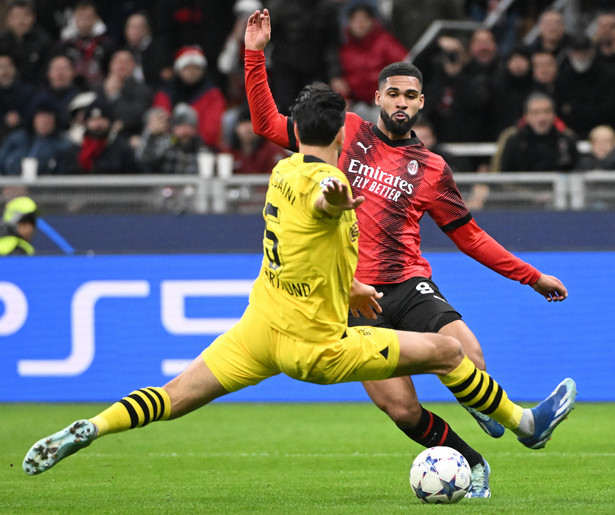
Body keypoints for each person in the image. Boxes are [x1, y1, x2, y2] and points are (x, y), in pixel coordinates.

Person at [22, 83, 577, 478]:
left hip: (261, 329)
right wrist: (334, 198)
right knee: (444, 352)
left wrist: (352, 285)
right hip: (317, 345)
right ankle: (525, 423)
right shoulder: (329, 182)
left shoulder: (280, 170)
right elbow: (324, 203)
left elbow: (309, 244)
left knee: (173, 396)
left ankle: (95, 427)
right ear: (343, 130)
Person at [244, 9, 570, 498]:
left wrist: (531, 276)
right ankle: (474, 465)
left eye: (409, 95)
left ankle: (494, 408)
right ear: (377, 97)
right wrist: (254, 54)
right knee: (401, 409)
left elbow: (470, 236)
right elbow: (267, 123)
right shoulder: (343, 132)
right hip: (350, 298)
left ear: (422, 103)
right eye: (392, 93)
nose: (400, 102)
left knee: (469, 352)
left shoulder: (432, 168)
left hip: (406, 283)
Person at [338, 1, 408, 122]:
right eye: (355, 20)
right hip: (356, 104)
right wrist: (343, 98)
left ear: (373, 21)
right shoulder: (344, 50)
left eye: (365, 19)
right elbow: (339, 82)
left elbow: (405, 65)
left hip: (384, 101)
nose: (360, 24)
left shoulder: (385, 42)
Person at [151, 45, 226, 150]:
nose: (192, 72)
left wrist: (186, 134)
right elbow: (159, 126)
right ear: (178, 70)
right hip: (168, 145)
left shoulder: (212, 94)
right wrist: (176, 138)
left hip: (200, 148)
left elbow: (211, 133)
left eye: (196, 67)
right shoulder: (165, 93)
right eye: (187, 68)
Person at [497, 92, 578, 173]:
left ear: (554, 114)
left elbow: (575, 172)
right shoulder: (514, 141)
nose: (542, 118)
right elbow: (505, 176)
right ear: (526, 116)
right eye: (536, 112)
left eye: (547, 111)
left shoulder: (566, 140)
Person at [61, 97, 140, 174]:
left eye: (102, 119)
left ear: (110, 122)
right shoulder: (74, 150)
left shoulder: (122, 150)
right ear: (86, 123)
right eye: (93, 120)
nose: (97, 125)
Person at [0, 96, 72, 175]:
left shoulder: (64, 145)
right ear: (33, 119)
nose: (44, 122)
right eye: (40, 118)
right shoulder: (16, 140)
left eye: (48, 118)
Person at [137, 103, 209, 175]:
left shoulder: (200, 148)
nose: (185, 131)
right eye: (181, 125)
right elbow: (144, 159)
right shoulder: (170, 142)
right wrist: (151, 135)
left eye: (190, 126)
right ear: (173, 128)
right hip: (165, 185)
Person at [0, 0, 53, 85]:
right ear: (8, 19)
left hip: (35, 90)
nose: (20, 21)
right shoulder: (2, 42)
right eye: (16, 16)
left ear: (32, 18)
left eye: (25, 16)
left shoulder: (43, 41)